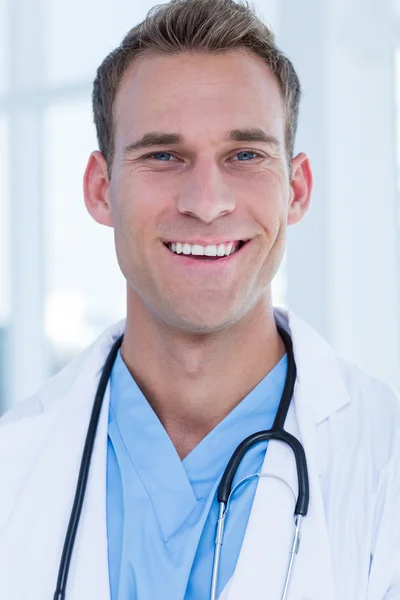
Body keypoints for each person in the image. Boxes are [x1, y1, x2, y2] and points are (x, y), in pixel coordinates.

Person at [0, 0, 399, 598]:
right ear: (101, 190)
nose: (206, 202)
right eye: (164, 155)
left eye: (245, 155)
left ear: (297, 189)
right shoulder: (14, 466)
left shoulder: (383, 459)